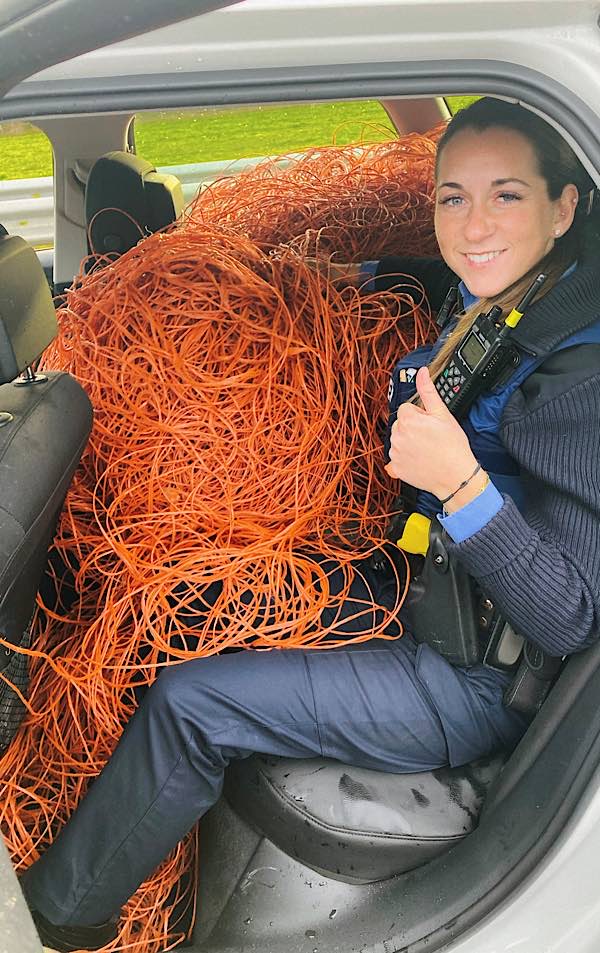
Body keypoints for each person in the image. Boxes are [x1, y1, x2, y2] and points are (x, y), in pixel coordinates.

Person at [21, 97, 600, 952]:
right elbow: (434, 274)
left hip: (475, 678)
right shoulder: (512, 294)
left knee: (195, 701)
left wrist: (464, 483)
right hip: (414, 588)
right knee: (192, 603)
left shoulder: (576, 371)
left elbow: (571, 613)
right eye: (451, 197)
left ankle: (60, 916)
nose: (473, 225)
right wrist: (322, 274)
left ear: (563, 207)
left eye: (505, 196)